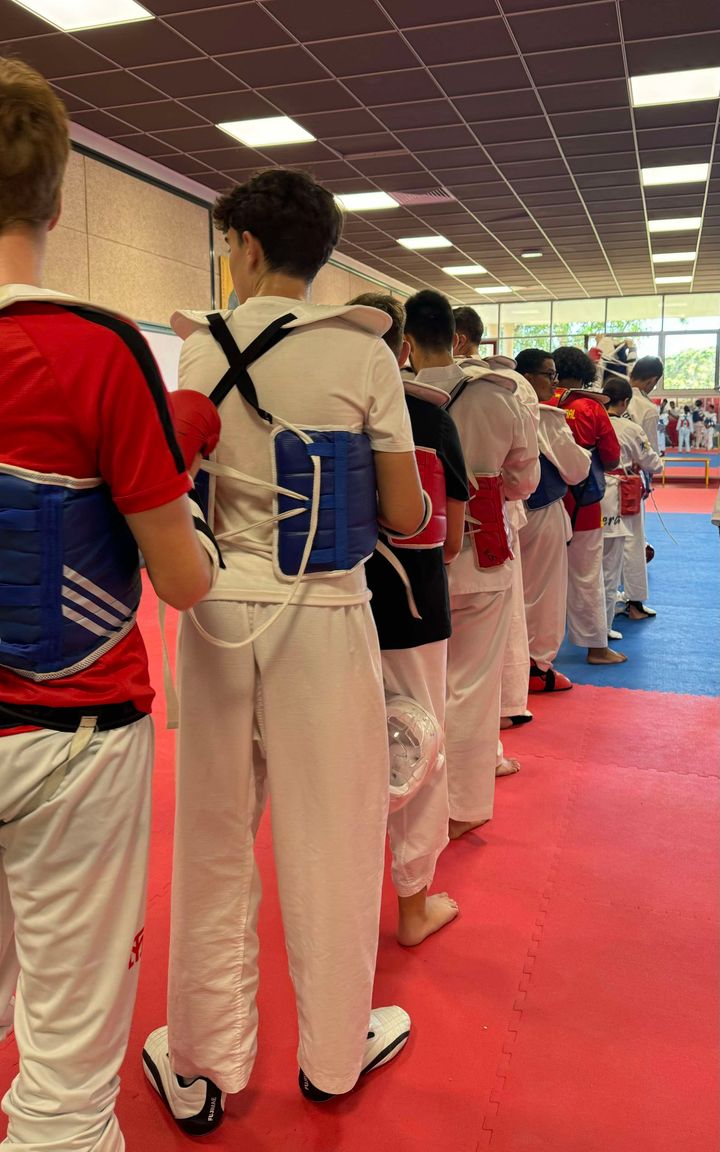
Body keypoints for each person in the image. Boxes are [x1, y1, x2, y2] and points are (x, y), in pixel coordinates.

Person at [143, 169, 426, 1130]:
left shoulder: (199, 349)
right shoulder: (363, 353)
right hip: (325, 610)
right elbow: (404, 513)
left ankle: (201, 1062)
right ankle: (334, 1056)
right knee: (334, 833)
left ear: (248, 247)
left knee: (213, 836)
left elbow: (177, 486)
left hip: (217, 610)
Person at [0, 58, 220, 1151]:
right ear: (56, 200)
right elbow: (179, 580)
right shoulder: (93, 348)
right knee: (68, 1054)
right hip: (69, 735)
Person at [351, 293, 468, 946]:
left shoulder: (315, 409)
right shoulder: (425, 413)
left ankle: (341, 900)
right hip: (413, 608)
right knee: (420, 745)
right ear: (403, 348)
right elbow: (450, 538)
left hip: (329, 610)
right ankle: (414, 908)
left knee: (339, 751)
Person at [403, 290, 539, 840]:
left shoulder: (392, 395)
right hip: (484, 555)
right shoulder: (499, 396)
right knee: (473, 686)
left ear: (407, 341)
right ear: (457, 337)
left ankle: (410, 799)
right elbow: (524, 482)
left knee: (414, 686)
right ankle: (463, 806)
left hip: (412, 555)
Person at [451, 308, 537, 760]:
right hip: (487, 531)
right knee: (480, 663)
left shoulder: (401, 387)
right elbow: (524, 480)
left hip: (416, 537)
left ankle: (421, 762)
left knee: (421, 668)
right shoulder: (505, 391)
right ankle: (488, 747)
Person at [514, 350, 591, 692]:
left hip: (499, 512)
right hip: (540, 509)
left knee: (510, 593)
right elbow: (577, 469)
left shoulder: (489, 403)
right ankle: (537, 667)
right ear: (528, 377)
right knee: (544, 593)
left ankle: (512, 668)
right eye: (549, 374)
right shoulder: (544, 416)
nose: (555, 382)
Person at [552, 348, 623, 666]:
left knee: (536, 579)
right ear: (585, 373)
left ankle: (534, 656)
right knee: (586, 574)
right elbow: (611, 458)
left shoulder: (539, 400)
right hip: (583, 504)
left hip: (539, 504)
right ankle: (596, 647)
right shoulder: (591, 407)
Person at [600, 377, 662, 639]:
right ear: (625, 402)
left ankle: (604, 613)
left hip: (591, 494)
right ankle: (629, 605)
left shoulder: (593, 422)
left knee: (594, 557)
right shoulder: (630, 428)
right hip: (623, 492)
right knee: (630, 546)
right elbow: (653, 463)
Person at [627, 356, 663, 452]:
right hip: (631, 458)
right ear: (653, 381)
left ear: (631, 374)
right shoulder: (648, 409)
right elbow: (649, 448)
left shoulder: (606, 395)